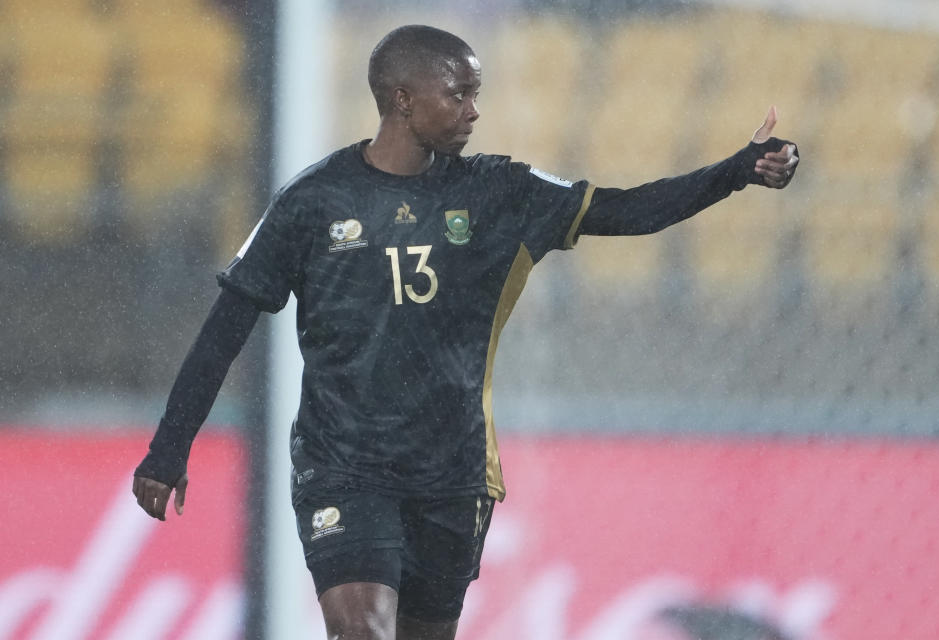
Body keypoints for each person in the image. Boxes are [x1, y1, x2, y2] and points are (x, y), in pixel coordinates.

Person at [132, 24, 799, 640]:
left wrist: (736, 172)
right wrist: (169, 449)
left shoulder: (500, 193)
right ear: (402, 99)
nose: (474, 111)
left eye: (476, 94)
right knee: (360, 626)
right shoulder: (314, 201)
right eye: (459, 94)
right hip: (343, 467)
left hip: (451, 472)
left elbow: (627, 211)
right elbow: (226, 329)